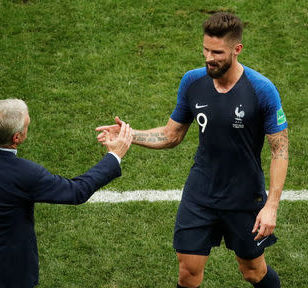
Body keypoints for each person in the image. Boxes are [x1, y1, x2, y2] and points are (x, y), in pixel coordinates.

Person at [96, 12, 288, 288]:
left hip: (244, 196)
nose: (209, 58)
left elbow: (279, 150)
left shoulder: (262, 90)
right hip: (201, 193)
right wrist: (129, 135)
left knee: (252, 271)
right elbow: (172, 134)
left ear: (237, 50)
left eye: (217, 52)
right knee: (188, 272)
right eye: (205, 49)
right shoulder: (193, 82)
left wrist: (271, 207)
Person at [0, 98, 133, 288]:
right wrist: (114, 156)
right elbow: (75, 191)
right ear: (17, 138)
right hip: (3, 278)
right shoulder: (27, 174)